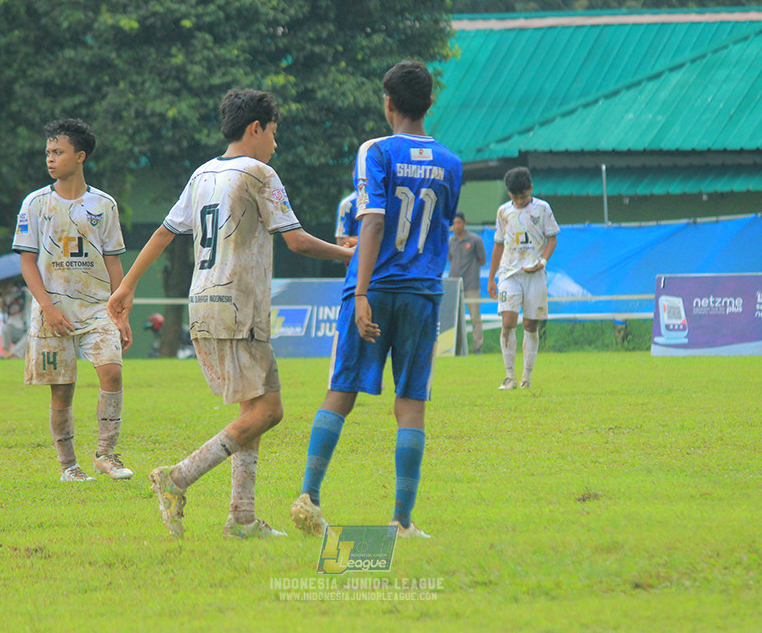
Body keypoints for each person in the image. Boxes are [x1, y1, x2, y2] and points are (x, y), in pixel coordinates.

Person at [107, 88, 352, 541]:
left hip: (202, 303)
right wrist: (350, 258)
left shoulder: (203, 174)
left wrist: (127, 285)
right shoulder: (259, 172)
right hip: (240, 306)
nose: (275, 145)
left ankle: (241, 517)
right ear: (255, 128)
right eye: (274, 134)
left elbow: (164, 234)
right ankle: (179, 476)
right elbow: (296, 240)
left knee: (251, 408)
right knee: (271, 410)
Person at [290, 60, 463, 540]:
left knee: (341, 392)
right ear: (429, 104)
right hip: (422, 294)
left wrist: (361, 291)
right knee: (411, 404)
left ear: (388, 103)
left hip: (373, 287)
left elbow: (373, 222)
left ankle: (310, 497)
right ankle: (402, 522)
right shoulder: (451, 162)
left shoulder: (376, 151)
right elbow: (440, 229)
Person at [12, 118, 134, 483]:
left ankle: (106, 454)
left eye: (58, 152)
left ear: (79, 156)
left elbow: (113, 260)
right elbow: (27, 260)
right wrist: (47, 307)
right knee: (62, 391)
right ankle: (69, 467)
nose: (50, 158)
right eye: (48, 152)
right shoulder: (35, 203)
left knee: (111, 370)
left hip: (97, 306)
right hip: (53, 310)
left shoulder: (104, 204)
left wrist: (121, 310)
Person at [487, 167, 559, 390]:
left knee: (530, 324)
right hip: (509, 273)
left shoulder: (542, 208)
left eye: (523, 196)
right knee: (508, 321)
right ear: (508, 193)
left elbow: (552, 240)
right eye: (514, 196)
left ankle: (526, 376)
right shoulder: (503, 212)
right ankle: (509, 376)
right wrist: (492, 278)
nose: (519, 201)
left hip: (534, 273)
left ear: (531, 189)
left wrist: (542, 262)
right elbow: (498, 244)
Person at [447, 211, 487, 354]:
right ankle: (454, 348)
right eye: (454, 223)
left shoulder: (475, 240)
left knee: (475, 317)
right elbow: (450, 258)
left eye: (459, 222)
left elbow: (482, 260)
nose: (456, 226)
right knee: (453, 318)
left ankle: (477, 348)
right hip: (454, 285)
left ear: (465, 222)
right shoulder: (450, 241)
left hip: (471, 285)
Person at [0, 278, 28, 359]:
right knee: (5, 327)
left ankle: (13, 355)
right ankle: (6, 352)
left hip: (26, 327)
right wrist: (4, 295)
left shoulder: (23, 292)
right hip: (15, 329)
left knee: (30, 334)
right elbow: (1, 309)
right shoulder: (1, 300)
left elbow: (29, 295)